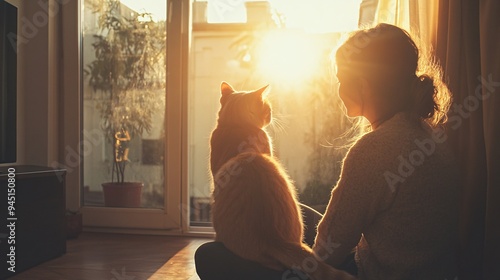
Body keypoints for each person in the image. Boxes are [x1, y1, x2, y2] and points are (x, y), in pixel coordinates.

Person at [312, 23, 460, 280]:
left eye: (340, 79)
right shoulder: (431, 134)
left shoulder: (374, 150)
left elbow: (327, 252)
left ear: (362, 84)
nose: (338, 90)